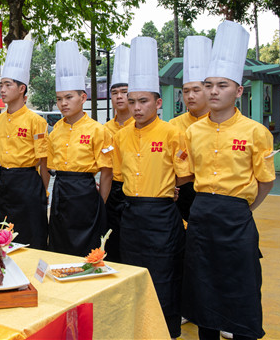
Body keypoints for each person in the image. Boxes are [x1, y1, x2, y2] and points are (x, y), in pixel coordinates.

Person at [182, 21, 275, 340]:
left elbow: (266, 181)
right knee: (202, 288)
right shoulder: (193, 132)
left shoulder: (255, 132)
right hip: (201, 215)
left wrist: (244, 208)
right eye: (208, 85)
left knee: (241, 287)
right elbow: (188, 174)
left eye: (222, 85)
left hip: (236, 217)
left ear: (238, 90)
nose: (213, 91)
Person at [112, 37, 192, 340]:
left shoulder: (172, 133)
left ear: (158, 103)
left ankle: (166, 331)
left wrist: (165, 185)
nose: (136, 107)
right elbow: (118, 175)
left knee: (164, 274)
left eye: (143, 101)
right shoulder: (121, 136)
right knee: (133, 271)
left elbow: (185, 174)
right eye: (132, 101)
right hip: (130, 214)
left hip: (161, 215)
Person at [47, 41, 112, 257]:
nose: (63, 103)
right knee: (59, 244)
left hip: (85, 193)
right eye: (59, 99)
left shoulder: (98, 130)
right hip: (61, 191)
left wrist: (100, 203)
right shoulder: (55, 130)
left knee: (86, 248)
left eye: (69, 97)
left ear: (83, 98)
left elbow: (107, 172)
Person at [0, 39, 49, 250]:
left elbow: (44, 162)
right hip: (5, 182)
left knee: (30, 233)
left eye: (8, 85)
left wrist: (42, 192)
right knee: (4, 233)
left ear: (21, 88)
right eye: (1, 85)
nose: (3, 89)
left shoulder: (36, 121)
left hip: (28, 182)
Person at [169, 36, 212, 222]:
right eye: (186, 91)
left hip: (212, 195)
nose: (190, 96)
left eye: (196, 90)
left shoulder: (218, 124)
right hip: (180, 194)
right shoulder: (173, 125)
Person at [102, 44, 133, 263]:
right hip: (111, 190)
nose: (119, 97)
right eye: (115, 93)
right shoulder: (104, 129)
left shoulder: (140, 127)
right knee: (110, 243)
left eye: (124, 92)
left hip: (135, 191)